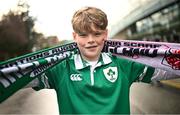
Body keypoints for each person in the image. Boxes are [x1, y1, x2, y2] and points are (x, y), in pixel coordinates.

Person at [15, 6, 180, 114]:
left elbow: (166, 69)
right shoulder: (60, 68)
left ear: (106, 34)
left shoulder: (123, 63)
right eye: (83, 35)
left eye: (97, 33)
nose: (90, 40)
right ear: (74, 37)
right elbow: (18, 78)